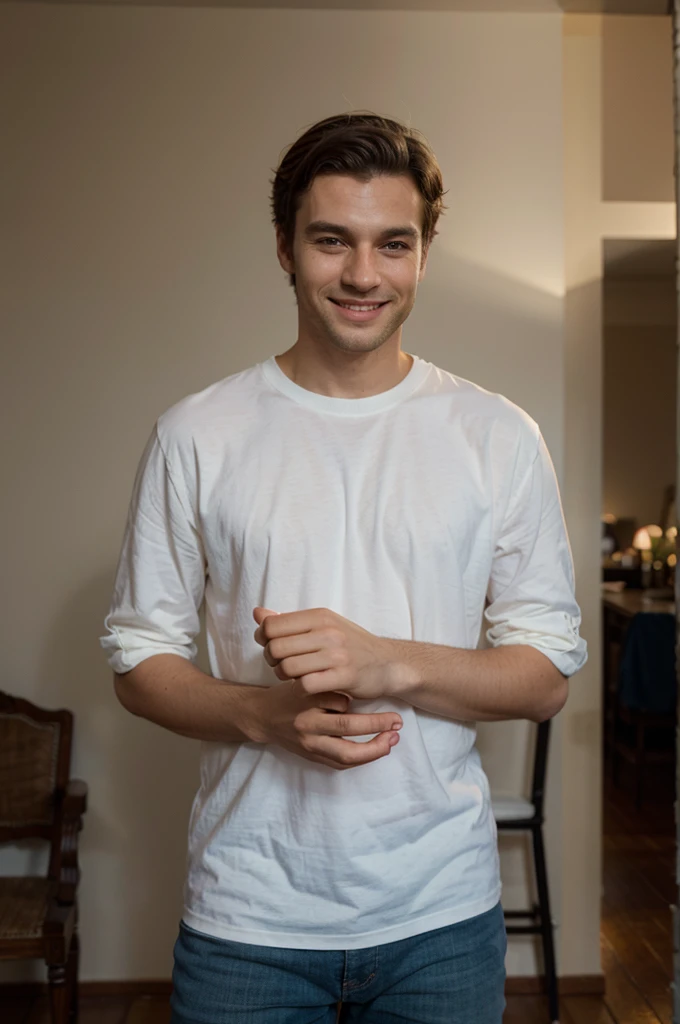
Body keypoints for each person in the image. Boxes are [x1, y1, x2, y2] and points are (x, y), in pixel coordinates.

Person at [101, 112, 587, 1024]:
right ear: (286, 248)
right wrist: (258, 713)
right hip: (248, 919)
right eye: (333, 241)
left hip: (440, 918)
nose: (364, 275)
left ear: (423, 253)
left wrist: (386, 662)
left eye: (392, 244)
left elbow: (546, 674)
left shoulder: (497, 437)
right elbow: (137, 661)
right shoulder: (197, 434)